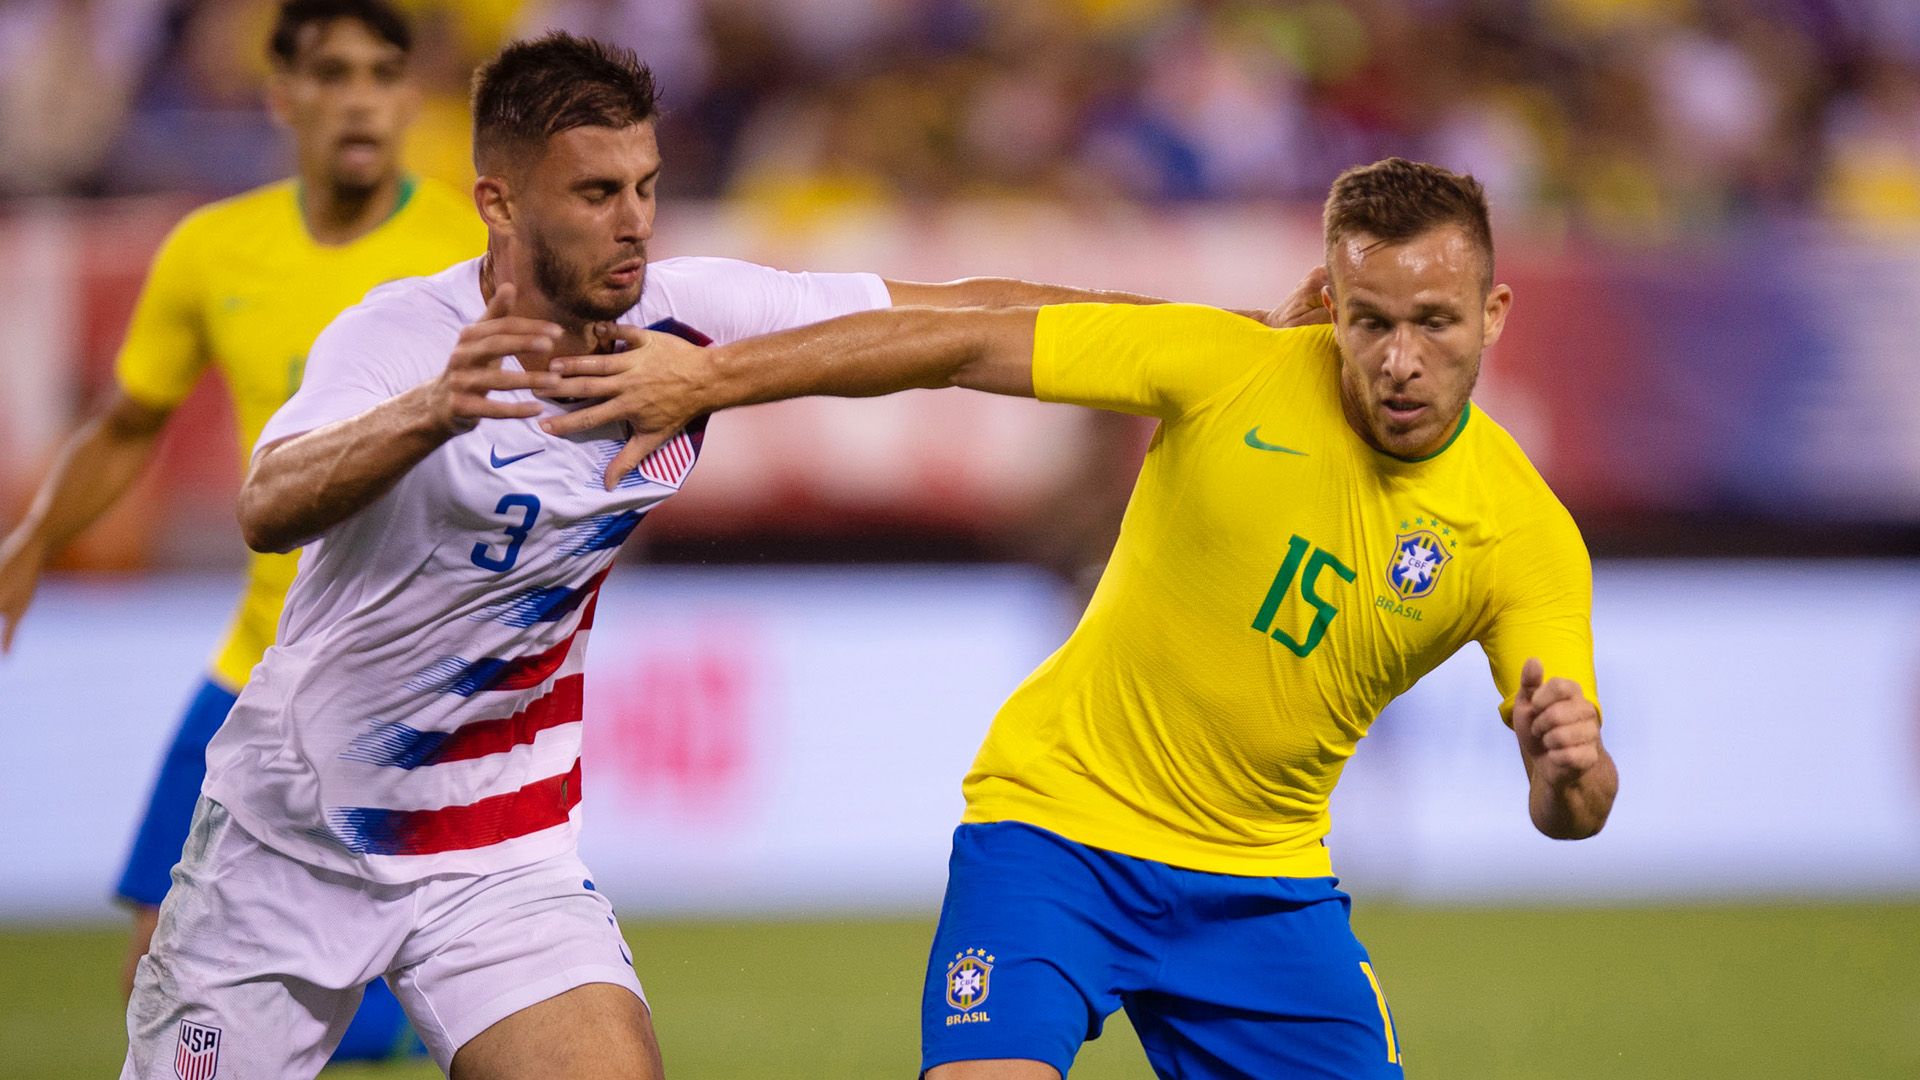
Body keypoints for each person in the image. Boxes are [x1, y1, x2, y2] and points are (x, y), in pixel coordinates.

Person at [120, 31, 1316, 1078]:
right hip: (290, 840)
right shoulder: (400, 336)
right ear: (498, 203)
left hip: (499, 853)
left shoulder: (690, 320)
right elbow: (267, 502)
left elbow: (956, 317)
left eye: (645, 185)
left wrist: (1236, 336)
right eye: (594, 193)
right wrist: (428, 412)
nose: (634, 221)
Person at [540, 156, 1620, 1080]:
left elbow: (1571, 808)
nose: (1398, 359)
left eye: (1433, 323)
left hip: (1263, 887)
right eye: (1371, 321)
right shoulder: (1225, 365)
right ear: (1330, 299)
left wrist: (1568, 772)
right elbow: (954, 341)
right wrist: (712, 377)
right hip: (1057, 838)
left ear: (1493, 313)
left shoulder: (1523, 536)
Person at [0, 0, 478, 1063]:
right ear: (282, 94)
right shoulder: (213, 249)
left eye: (382, 74)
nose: (359, 98)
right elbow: (129, 425)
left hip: (404, 699)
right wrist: (31, 540)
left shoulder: (466, 255)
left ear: (410, 95)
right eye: (333, 73)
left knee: (366, 1022)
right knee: (161, 977)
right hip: (248, 678)